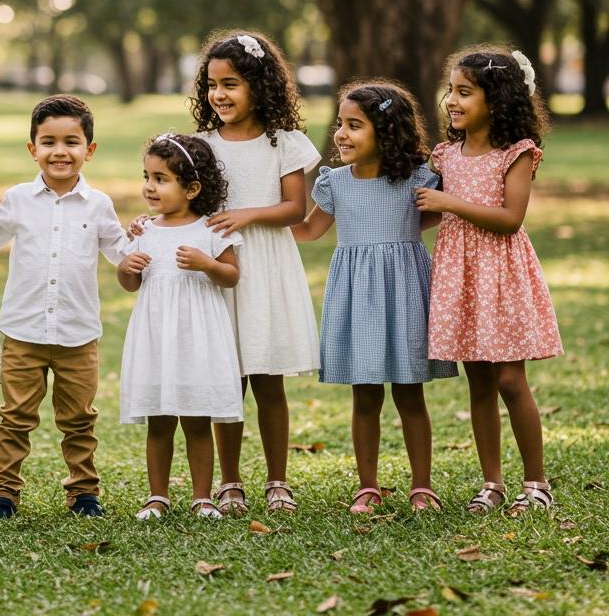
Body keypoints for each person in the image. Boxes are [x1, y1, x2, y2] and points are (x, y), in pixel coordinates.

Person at [293, 82, 457, 514]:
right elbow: (308, 230)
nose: (341, 134)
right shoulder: (335, 183)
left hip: (404, 293)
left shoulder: (416, 180)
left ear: (386, 131)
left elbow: (438, 215)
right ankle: (367, 487)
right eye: (340, 124)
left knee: (410, 393)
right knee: (365, 395)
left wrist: (396, 242)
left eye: (354, 125)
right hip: (356, 297)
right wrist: (258, 223)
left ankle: (422, 487)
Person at [0, 95, 131, 518]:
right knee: (15, 417)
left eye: (71, 142)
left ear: (89, 150)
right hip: (23, 333)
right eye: (49, 142)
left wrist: (152, 239)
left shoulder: (99, 204)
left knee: (79, 419)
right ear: (32, 148)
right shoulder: (18, 198)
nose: (60, 151)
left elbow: (121, 251)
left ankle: (84, 493)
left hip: (79, 335)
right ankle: (4, 493)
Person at [417, 46, 562, 515]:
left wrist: (449, 204)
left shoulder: (516, 152)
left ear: (496, 100)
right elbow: (432, 213)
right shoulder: (446, 154)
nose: (452, 101)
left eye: (465, 92)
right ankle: (492, 483)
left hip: (500, 276)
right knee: (478, 382)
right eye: (451, 91)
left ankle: (536, 483)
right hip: (459, 277)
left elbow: (510, 218)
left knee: (510, 380)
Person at [190, 30, 320, 515]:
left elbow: (294, 209)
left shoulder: (283, 142)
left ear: (259, 86)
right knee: (227, 380)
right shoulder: (201, 145)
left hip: (265, 266)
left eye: (231, 84)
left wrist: (247, 214)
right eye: (212, 85)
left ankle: (278, 481)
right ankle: (229, 482)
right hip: (219, 267)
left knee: (268, 379)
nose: (219, 95)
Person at [119, 134, 242, 521]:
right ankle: (157, 496)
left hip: (196, 337)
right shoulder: (144, 231)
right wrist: (126, 268)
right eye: (147, 176)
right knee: (158, 421)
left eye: (161, 179)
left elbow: (231, 276)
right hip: (157, 337)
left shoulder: (211, 230)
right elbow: (130, 284)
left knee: (197, 419)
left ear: (192, 189)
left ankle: (202, 497)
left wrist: (208, 264)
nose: (149, 186)